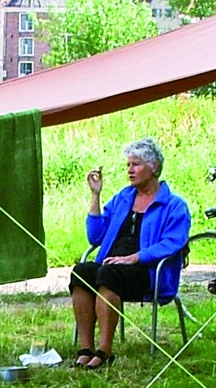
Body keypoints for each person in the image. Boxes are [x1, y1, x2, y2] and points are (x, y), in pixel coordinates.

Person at [71, 138, 191, 368]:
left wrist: (135, 257)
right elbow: (96, 237)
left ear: (154, 166)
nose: (130, 170)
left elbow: (173, 242)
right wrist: (95, 195)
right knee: (81, 271)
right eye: (128, 165)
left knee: (109, 275)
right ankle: (85, 348)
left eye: (135, 164)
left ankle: (104, 351)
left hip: (147, 272)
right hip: (111, 265)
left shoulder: (174, 205)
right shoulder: (123, 198)